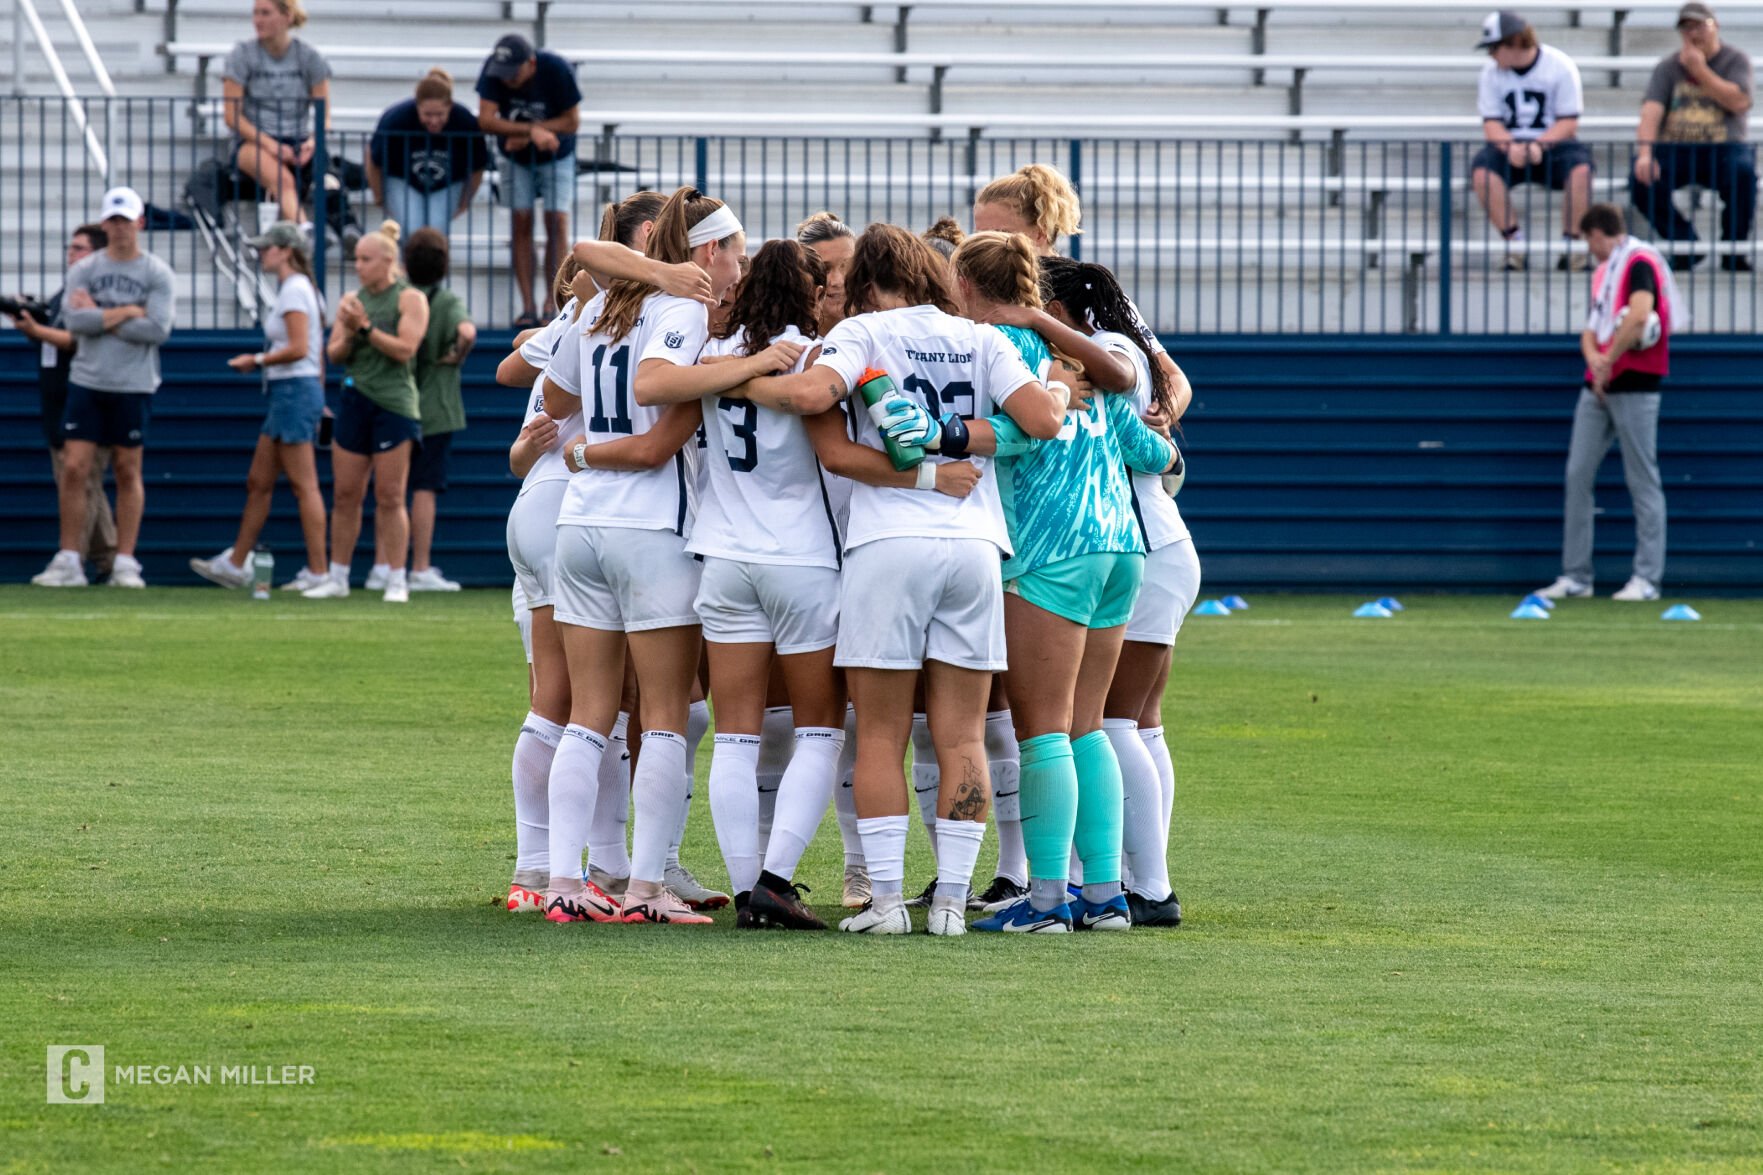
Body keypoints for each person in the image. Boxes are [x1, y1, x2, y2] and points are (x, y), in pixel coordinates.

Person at [733, 223, 1065, 936]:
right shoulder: (979, 337)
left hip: (888, 542)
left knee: (880, 731)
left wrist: (747, 374)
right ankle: (949, 899)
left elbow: (811, 398)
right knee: (962, 733)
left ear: (863, 283)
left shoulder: (861, 333)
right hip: (975, 542)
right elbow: (1039, 419)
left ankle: (885, 900)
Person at [892, 234, 1181, 935]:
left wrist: (938, 436)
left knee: (1043, 731)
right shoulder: (1085, 356)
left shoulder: (1000, 352)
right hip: (1120, 548)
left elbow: (1023, 431)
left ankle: (1048, 899)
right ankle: (1106, 895)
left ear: (963, 282)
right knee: (1087, 728)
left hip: (1049, 552)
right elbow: (1154, 449)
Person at [537, 187, 764, 926]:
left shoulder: (599, 306)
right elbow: (661, 430)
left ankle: (563, 880)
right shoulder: (683, 308)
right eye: (733, 248)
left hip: (580, 525)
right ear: (706, 251)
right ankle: (643, 888)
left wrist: (580, 453)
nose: (740, 263)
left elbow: (556, 395)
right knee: (665, 715)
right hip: (649, 527)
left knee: (588, 713)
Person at [685, 239, 851, 931]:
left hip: (722, 556)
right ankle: (773, 880)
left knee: (735, 736)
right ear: (811, 293)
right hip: (801, 559)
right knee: (820, 728)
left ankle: (747, 883)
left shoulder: (710, 361)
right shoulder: (813, 358)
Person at [1040, 256, 1197, 929]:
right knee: (1132, 722)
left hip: (1140, 546)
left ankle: (1148, 886)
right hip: (1148, 545)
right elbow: (1153, 446)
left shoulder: (1104, 350)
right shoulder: (1107, 346)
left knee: (1109, 723)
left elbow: (1133, 429)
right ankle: (1129, 877)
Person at [32, 187, 175, 590]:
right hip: (88, 379)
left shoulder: (157, 273)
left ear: (140, 223)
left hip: (134, 384)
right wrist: (128, 311)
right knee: (74, 468)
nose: (119, 229)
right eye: (112, 221)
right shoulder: (84, 269)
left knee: (128, 469)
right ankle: (69, 559)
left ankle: (125, 562)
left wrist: (99, 313)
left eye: (125, 221)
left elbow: (158, 329)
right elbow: (75, 323)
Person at [1537, 204, 1681, 604]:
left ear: (1600, 233)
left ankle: (1647, 578)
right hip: (1597, 387)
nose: (1590, 248)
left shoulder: (1638, 263)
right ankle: (1576, 575)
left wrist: (1608, 359)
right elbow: (1590, 329)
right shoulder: (1605, 272)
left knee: (1642, 479)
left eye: (1590, 240)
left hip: (1636, 384)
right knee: (1577, 474)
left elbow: (1639, 317)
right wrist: (1595, 360)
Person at [790, 209, 870, 909]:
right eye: (823, 268)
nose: (836, 280)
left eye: (846, 265)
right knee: (790, 719)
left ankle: (861, 866)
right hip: (794, 558)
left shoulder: (875, 341)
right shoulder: (773, 347)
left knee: (884, 719)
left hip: (873, 547)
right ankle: (763, 867)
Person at [189, 222, 330, 592]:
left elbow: (300, 349)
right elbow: (314, 355)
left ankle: (320, 572)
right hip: (292, 393)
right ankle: (237, 563)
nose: (260, 253)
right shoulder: (300, 289)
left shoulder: (295, 290)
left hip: (293, 393)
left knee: (304, 485)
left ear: (286, 250)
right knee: (259, 482)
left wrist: (256, 359)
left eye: (267, 248)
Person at [304, 221, 428, 603]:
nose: (357, 265)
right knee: (345, 494)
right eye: (356, 259)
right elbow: (334, 353)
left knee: (390, 495)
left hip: (394, 405)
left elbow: (406, 349)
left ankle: (396, 578)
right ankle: (338, 576)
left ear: (387, 261)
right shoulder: (353, 300)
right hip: (355, 401)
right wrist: (348, 325)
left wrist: (365, 328)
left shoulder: (409, 299)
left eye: (365, 259)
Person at [5, 224, 116, 582]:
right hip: (57, 401)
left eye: (80, 248)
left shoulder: (97, 294)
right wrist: (31, 323)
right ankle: (108, 557)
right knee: (78, 481)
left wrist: (39, 331)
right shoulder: (63, 293)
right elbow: (51, 343)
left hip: (84, 398)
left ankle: (77, 559)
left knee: (81, 480)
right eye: (70, 248)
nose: (72, 254)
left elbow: (80, 340)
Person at [1631, 2, 1755, 271]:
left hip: (1724, 147)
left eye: (1700, 26)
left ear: (1715, 26)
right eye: (1687, 27)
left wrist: (1700, 71)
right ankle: (1686, 245)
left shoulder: (1735, 60)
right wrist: (1645, 154)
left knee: (1743, 174)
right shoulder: (1667, 67)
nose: (1693, 34)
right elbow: (1651, 112)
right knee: (1641, 179)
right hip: (1677, 148)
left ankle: (1734, 251)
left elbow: (1739, 102)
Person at [1471, 10, 1594, 271]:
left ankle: (1572, 247)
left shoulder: (1559, 65)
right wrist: (1510, 146)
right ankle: (1514, 244)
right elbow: (1491, 124)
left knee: (1581, 169)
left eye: (1494, 48)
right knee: (1482, 172)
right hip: (1510, 143)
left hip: (1555, 144)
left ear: (1515, 42)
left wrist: (1540, 144)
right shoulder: (1490, 73)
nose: (1491, 55)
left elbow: (1569, 121)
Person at [476, 33, 582, 327]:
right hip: (514, 158)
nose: (508, 80)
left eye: (514, 73)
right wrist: (530, 133)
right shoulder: (493, 68)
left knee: (557, 222)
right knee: (520, 223)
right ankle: (528, 307)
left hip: (557, 155)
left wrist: (525, 131)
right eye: (504, 75)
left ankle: (554, 302)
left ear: (531, 64)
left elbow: (572, 121)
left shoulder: (557, 69)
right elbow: (485, 119)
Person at [403, 227, 477, 591]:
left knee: (392, 487)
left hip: (397, 399)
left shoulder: (399, 297)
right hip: (437, 405)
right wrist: (455, 356)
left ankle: (387, 565)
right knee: (424, 487)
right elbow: (467, 333)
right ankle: (419, 566)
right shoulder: (446, 302)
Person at [223, 0, 331, 228]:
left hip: (298, 140)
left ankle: (345, 233)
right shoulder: (242, 55)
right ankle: (305, 232)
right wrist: (271, 145)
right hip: (253, 143)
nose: (257, 20)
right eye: (255, 13)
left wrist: (312, 141)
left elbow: (324, 115)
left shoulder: (309, 57)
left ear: (287, 17)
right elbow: (232, 116)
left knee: (330, 180)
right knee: (283, 180)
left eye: (265, 13)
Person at [368, 68, 491, 236]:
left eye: (440, 114)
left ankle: (435, 261)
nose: (434, 121)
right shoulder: (395, 119)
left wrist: (465, 200)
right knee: (412, 228)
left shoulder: (465, 121)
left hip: (447, 183)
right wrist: (379, 196)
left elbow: (478, 165)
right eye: (427, 114)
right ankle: (410, 261)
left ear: (450, 106)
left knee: (437, 230)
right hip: (403, 179)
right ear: (417, 106)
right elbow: (374, 159)